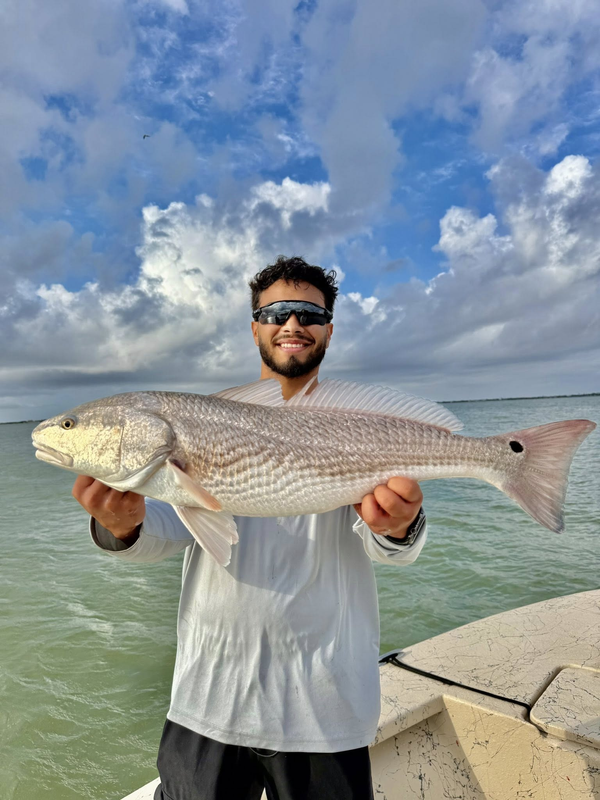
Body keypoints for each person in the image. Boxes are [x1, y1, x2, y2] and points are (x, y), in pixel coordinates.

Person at [72, 255, 428, 800]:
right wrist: (120, 526)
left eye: (309, 313)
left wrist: (399, 526)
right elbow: (166, 530)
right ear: (255, 326)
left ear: (329, 327)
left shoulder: (355, 431)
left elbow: (392, 550)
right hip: (210, 698)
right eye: (277, 312)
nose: (292, 325)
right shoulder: (209, 419)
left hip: (324, 704)